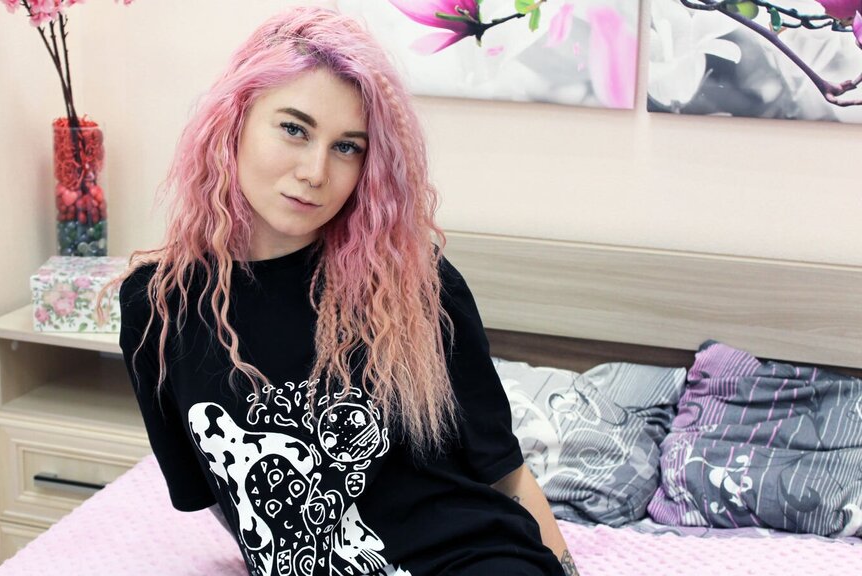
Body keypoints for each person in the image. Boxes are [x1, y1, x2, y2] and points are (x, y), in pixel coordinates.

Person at [97, 5, 578, 576]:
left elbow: (506, 472)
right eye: (294, 129)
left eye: (347, 147)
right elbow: (230, 502)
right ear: (234, 120)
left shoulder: (414, 282)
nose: (315, 172)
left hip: (473, 559)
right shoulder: (156, 309)